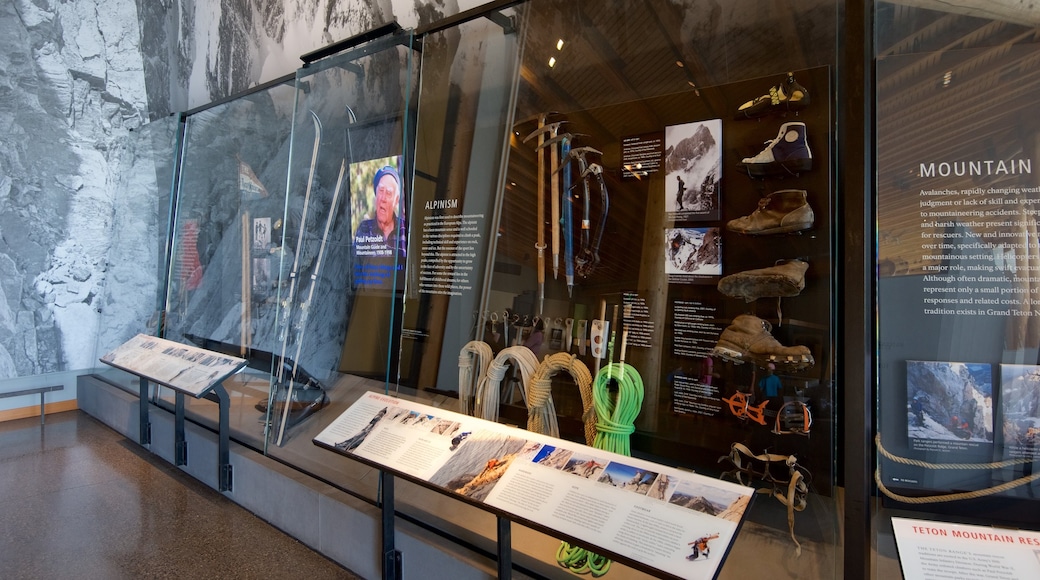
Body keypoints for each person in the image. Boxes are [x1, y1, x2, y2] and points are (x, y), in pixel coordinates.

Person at [353, 165, 406, 289]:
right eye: (380, 191)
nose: (383, 199)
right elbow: (355, 273)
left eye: (388, 193)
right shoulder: (364, 229)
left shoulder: (405, 229)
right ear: (375, 194)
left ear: (396, 200)